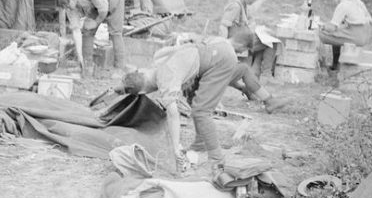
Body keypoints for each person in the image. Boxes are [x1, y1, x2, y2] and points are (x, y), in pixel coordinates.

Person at [115, 28, 286, 178]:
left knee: (201, 111)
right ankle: (201, 142)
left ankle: (217, 159)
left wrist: (175, 148)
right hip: (208, 55)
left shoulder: (165, 80)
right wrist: (120, 88)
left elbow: (173, 115)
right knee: (195, 95)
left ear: (144, 92)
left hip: (216, 59)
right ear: (142, 73)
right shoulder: (158, 62)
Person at [56, 0, 126, 77]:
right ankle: (87, 65)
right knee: (87, 30)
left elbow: (104, 8)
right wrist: (79, 54)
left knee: (115, 33)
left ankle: (119, 68)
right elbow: (76, 30)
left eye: (68, 6)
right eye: (65, 8)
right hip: (96, 7)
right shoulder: (70, 8)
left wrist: (96, 22)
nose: (68, 9)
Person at [218, 0, 268, 78]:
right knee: (266, 45)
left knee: (264, 44)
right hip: (234, 39)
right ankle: (261, 73)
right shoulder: (235, 5)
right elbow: (223, 25)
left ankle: (255, 72)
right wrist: (224, 46)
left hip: (240, 36)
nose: (252, 2)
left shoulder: (242, 1)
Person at [318, 0, 372, 72]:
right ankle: (335, 65)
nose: (334, 1)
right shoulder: (356, 1)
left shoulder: (342, 5)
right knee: (338, 33)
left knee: (322, 35)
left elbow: (332, 28)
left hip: (357, 36)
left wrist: (322, 26)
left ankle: (333, 65)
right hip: (366, 33)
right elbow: (368, 20)